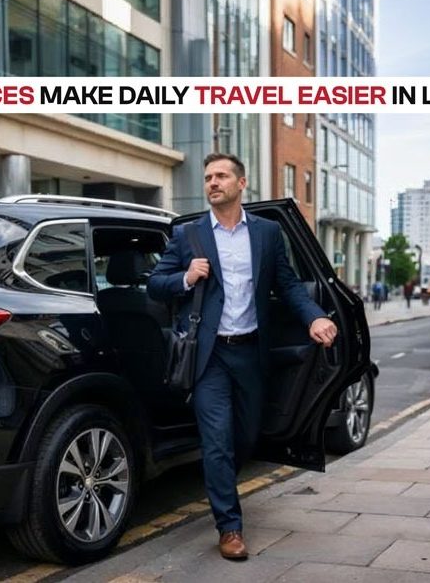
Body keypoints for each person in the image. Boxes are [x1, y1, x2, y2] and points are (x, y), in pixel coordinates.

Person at [147, 153, 337, 561]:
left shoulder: (267, 234)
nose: (213, 183)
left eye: (221, 176)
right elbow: (155, 286)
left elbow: (287, 285)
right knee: (216, 441)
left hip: (251, 350)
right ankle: (229, 526)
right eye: (208, 177)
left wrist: (315, 317)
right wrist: (186, 277)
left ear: (241, 183)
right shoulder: (189, 236)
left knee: (248, 435)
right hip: (209, 356)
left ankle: (220, 487)